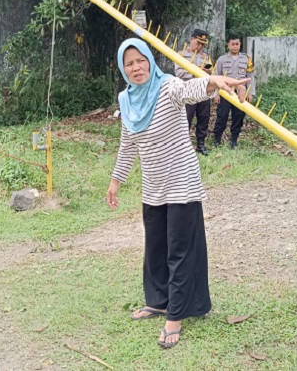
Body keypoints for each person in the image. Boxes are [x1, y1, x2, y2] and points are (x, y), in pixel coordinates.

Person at [106, 38, 249, 348]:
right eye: (129, 63)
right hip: (153, 186)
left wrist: (212, 82)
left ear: (149, 60)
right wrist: (116, 181)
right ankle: (158, 301)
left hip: (181, 182)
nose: (137, 67)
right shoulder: (127, 100)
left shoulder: (167, 86)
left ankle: (176, 315)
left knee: (179, 250)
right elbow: (128, 144)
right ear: (123, 68)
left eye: (141, 60)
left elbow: (190, 90)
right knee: (155, 246)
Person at [174, 28, 213, 155]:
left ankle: (200, 144)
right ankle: (183, 146)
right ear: (191, 39)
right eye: (198, 42)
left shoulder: (206, 57)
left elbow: (211, 73)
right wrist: (195, 70)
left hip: (203, 91)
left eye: (202, 44)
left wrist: (207, 72)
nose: (200, 46)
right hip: (188, 90)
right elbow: (179, 72)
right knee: (186, 118)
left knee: (204, 118)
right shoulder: (181, 55)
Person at [212, 34, 256, 149]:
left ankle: (234, 140)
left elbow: (250, 76)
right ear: (228, 45)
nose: (235, 47)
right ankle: (217, 139)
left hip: (241, 93)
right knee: (222, 116)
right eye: (233, 44)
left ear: (240, 45)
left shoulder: (247, 59)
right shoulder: (222, 59)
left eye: (237, 44)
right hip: (225, 92)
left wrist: (250, 93)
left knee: (238, 116)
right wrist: (216, 93)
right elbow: (216, 77)